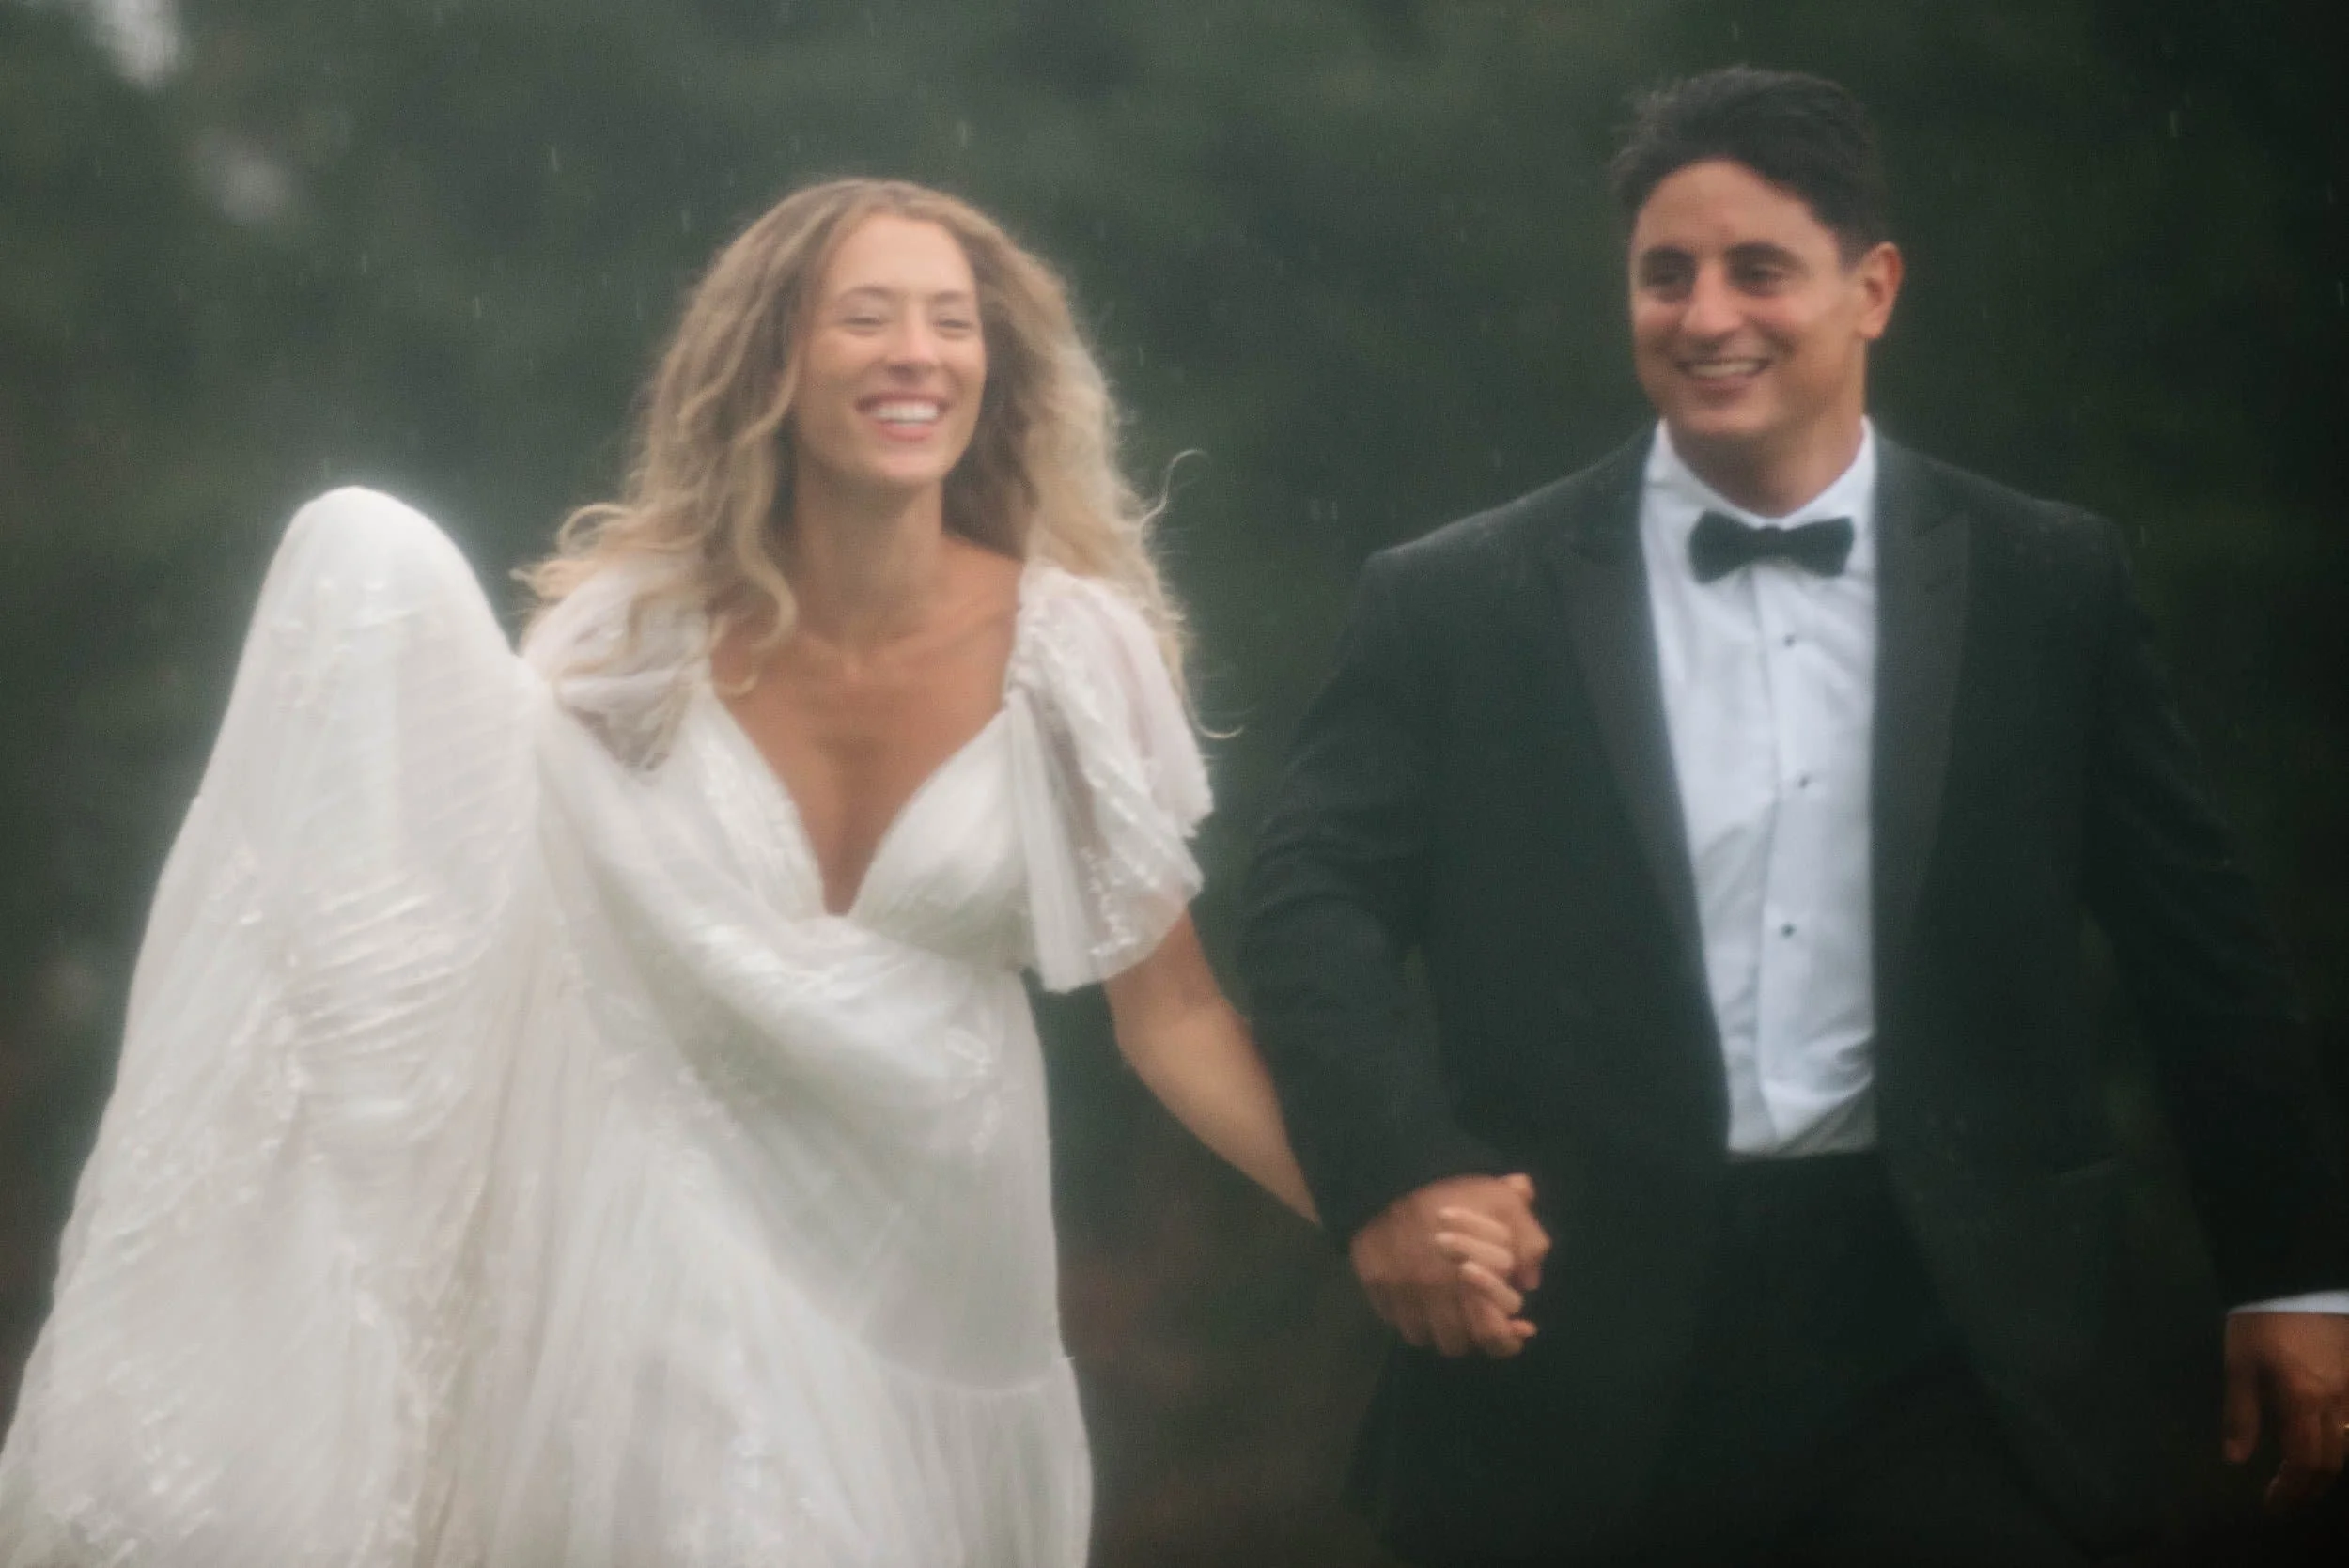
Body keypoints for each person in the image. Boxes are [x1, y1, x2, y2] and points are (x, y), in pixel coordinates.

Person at [0, 179, 1522, 1565]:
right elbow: (477, 923)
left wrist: (1377, 1202)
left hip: (935, 1285)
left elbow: (1170, 1018)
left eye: (950, 321)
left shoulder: (1071, 654)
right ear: (771, 364)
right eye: (863, 316)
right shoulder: (619, 650)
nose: (915, 352)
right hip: (658, 1268)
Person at [1240, 67, 2349, 1567]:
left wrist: (2291, 1273)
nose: (1707, 317)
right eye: (1664, 275)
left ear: (1873, 286)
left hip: (1961, 1338)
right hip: (1570, 1335)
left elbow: (2196, 939)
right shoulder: (1454, 600)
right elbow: (1313, 895)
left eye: (1759, 269)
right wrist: (1391, 1168)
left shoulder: (2047, 581)